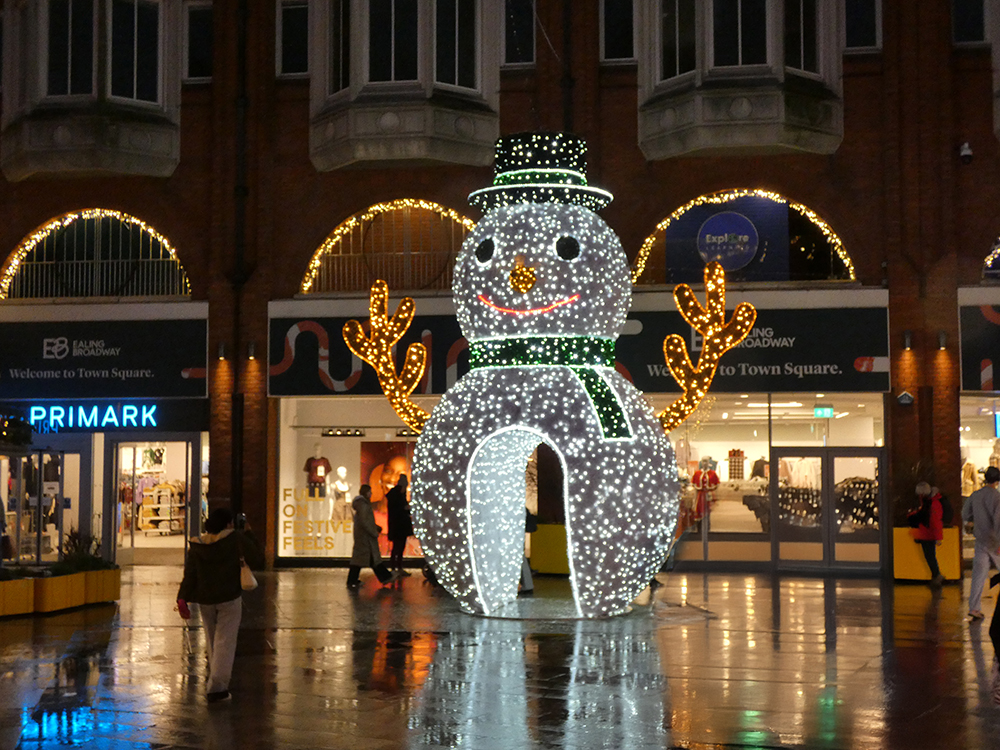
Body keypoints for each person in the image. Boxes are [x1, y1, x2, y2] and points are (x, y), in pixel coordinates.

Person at [176, 507, 263, 703]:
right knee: (226, 641)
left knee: (212, 640)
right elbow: (258, 558)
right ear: (228, 524)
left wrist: (183, 597)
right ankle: (218, 687)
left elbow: (190, 574)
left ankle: (215, 681)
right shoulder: (236, 539)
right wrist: (249, 532)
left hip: (205, 599)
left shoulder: (198, 545)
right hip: (229, 597)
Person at [962, 465, 1000, 620]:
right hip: (994, 540)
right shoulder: (997, 497)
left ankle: (974, 608)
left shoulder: (976, 495)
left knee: (978, 575)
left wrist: (974, 521)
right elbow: (999, 521)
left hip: (980, 539)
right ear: (997, 481)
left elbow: (965, 513)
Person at [347, 484, 400, 589]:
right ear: (366, 492)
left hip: (363, 537)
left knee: (360, 559)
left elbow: (365, 520)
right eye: (370, 492)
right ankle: (385, 577)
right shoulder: (363, 505)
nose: (371, 494)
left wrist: (375, 527)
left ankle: (352, 580)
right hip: (366, 538)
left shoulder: (362, 504)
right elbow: (365, 521)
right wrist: (373, 532)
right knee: (373, 559)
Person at [908, 482, 944, 587]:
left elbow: (935, 521)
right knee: (930, 556)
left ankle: (937, 575)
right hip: (928, 533)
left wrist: (938, 537)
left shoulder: (931, 504)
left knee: (930, 556)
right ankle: (936, 576)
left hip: (928, 534)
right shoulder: (930, 502)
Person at [385, 475, 413, 576]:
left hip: (398, 525)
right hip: (399, 526)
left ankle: (396, 568)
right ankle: (395, 567)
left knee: (398, 547)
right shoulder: (397, 495)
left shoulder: (396, 495)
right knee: (398, 547)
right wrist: (405, 508)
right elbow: (398, 510)